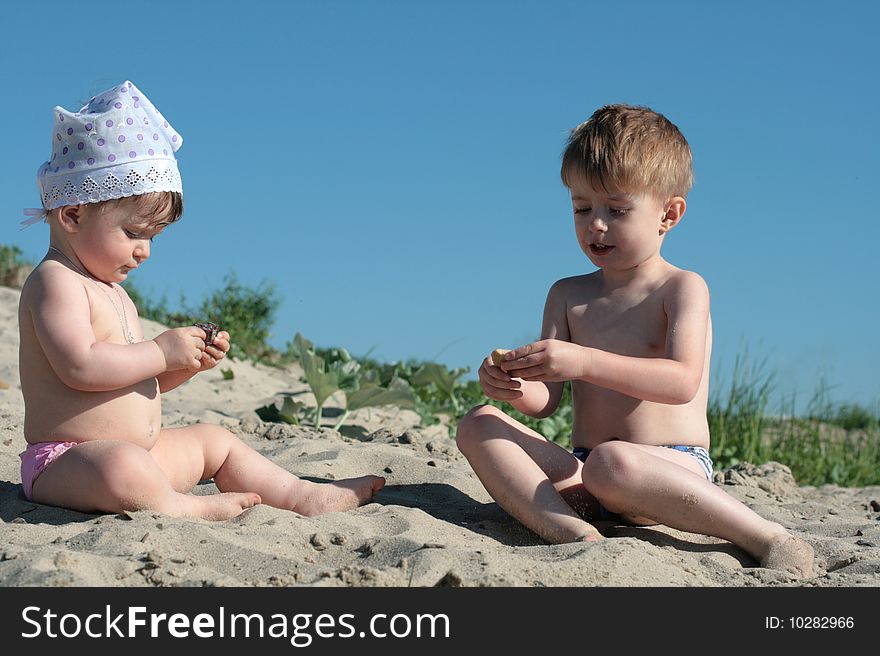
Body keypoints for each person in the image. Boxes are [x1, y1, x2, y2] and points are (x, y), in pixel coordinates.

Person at [456, 104, 814, 577]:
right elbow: (547, 401)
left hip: (666, 468)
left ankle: (764, 535)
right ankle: (575, 532)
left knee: (614, 463)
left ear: (669, 213)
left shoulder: (682, 287)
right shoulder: (567, 294)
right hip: (586, 471)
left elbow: (681, 382)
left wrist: (583, 360)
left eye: (617, 210)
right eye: (582, 208)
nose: (595, 224)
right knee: (479, 424)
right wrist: (512, 384)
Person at [18, 81, 384, 520]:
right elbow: (80, 367)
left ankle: (300, 494)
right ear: (74, 215)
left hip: (142, 453)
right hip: (68, 461)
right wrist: (158, 350)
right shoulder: (55, 282)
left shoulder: (114, 294)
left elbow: (132, 383)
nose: (144, 251)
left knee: (215, 439)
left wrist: (178, 366)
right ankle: (180, 507)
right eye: (133, 233)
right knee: (124, 466)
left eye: (152, 238)